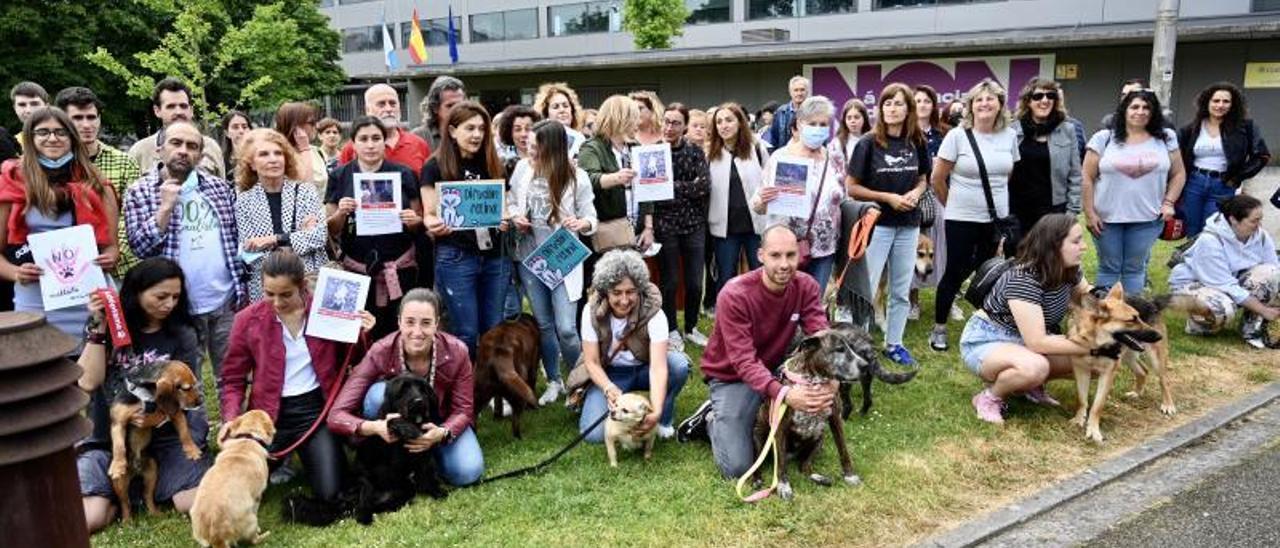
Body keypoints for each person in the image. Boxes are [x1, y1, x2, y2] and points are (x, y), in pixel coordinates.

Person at [221, 250, 374, 502]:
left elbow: (353, 360)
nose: (277, 302)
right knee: (234, 492)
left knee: (331, 493)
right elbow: (233, 378)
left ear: (302, 286)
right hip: (266, 417)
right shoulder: (246, 320)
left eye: (286, 294)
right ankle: (279, 459)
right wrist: (230, 418)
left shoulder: (326, 309)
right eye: (269, 294)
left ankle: (294, 457)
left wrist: (361, 334)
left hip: (315, 412)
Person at [678, 225, 830, 478]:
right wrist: (785, 395)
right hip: (732, 375)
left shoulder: (807, 286)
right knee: (738, 468)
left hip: (774, 368)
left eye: (791, 255)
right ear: (760, 255)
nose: (784, 264)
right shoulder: (735, 294)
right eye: (775, 255)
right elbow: (744, 361)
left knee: (793, 447)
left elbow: (821, 337)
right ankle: (710, 420)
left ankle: (755, 411)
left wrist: (831, 381)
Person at [76, 258, 210, 533]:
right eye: (161, 296)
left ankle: (147, 486)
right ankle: (121, 495)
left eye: (175, 296)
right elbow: (87, 382)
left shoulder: (182, 334)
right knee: (90, 519)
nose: (169, 304)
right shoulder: (105, 327)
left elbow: (185, 397)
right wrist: (99, 327)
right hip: (107, 440)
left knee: (194, 504)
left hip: (165, 439)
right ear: (136, 292)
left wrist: (155, 419)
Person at [329, 288, 484, 486]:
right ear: (399, 322)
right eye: (410, 322)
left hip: (440, 422)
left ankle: (430, 456)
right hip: (397, 428)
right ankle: (394, 457)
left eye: (426, 323)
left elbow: (464, 410)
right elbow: (336, 415)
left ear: (437, 324)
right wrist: (374, 427)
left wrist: (443, 432)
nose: (417, 332)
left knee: (467, 472)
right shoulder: (380, 351)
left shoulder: (458, 351)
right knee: (377, 395)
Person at [960, 214, 1098, 424]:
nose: (1084, 247)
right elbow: (1038, 342)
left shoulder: (1070, 269)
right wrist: (1091, 345)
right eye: (1076, 241)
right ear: (1054, 244)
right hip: (989, 340)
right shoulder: (1024, 279)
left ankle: (1028, 386)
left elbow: (1087, 295)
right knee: (1035, 367)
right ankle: (988, 398)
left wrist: (1113, 308)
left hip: (1029, 341)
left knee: (1097, 363)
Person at [0, 107, 118, 347]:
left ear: (72, 138)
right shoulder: (10, 183)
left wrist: (109, 257)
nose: (52, 138)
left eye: (60, 132)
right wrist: (16, 273)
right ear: (30, 139)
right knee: (42, 378)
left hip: (90, 299)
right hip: (35, 300)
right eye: (43, 132)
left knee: (93, 375)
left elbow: (112, 248)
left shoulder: (98, 184)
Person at [510, 120, 598, 404]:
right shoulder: (523, 169)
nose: (530, 151)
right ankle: (554, 380)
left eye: (536, 147)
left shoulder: (577, 176)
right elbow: (511, 202)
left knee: (567, 329)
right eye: (529, 146)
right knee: (545, 325)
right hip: (530, 257)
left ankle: (581, 379)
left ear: (554, 149)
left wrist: (580, 222)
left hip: (562, 257)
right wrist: (516, 217)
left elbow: (592, 218)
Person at [928, 79, 1020, 353]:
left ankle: (985, 325)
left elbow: (1008, 176)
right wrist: (953, 204)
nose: (984, 104)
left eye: (990, 99)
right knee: (954, 271)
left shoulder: (1009, 136)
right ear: (971, 106)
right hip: (961, 217)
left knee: (989, 270)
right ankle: (939, 328)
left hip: (995, 219)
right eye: (979, 99)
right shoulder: (957, 135)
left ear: (1000, 105)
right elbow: (938, 178)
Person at [848, 83, 929, 365]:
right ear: (880, 108)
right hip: (878, 225)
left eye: (898, 103)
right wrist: (887, 197)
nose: (892, 108)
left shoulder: (916, 141)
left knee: (900, 289)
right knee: (867, 287)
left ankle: (894, 343)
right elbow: (852, 187)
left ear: (909, 108)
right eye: (887, 103)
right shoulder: (868, 143)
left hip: (908, 225)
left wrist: (916, 193)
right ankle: (859, 346)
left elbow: (923, 178)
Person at [421, 101, 510, 359]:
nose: (477, 135)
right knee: (466, 332)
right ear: (452, 131)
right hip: (456, 256)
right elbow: (429, 213)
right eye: (470, 128)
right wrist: (433, 224)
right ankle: (465, 390)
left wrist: (505, 218)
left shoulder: (494, 164)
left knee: (493, 329)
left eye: (482, 129)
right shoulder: (434, 166)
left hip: (495, 257)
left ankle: (493, 391)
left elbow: (505, 206)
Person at [326, 116, 422, 341]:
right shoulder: (340, 176)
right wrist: (341, 212)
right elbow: (330, 229)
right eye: (364, 139)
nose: (370, 145)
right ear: (353, 143)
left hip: (399, 267)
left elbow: (419, 222)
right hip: (356, 269)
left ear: (384, 142)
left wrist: (413, 220)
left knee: (399, 331)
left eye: (376, 138)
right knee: (360, 335)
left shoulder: (404, 174)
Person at [579, 249, 690, 441]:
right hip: (611, 373)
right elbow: (592, 362)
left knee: (679, 366)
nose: (624, 300)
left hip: (645, 368)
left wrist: (654, 411)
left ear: (639, 289)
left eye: (630, 292)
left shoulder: (655, 312)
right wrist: (608, 388)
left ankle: (664, 418)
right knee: (594, 435)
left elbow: (658, 368)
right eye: (616, 293)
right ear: (605, 291)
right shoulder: (590, 311)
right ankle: (599, 402)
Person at [1083, 89, 1185, 294]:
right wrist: (1089, 213)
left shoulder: (1166, 138)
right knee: (1109, 267)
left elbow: (1179, 173)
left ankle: (1131, 318)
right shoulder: (1104, 138)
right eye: (1135, 107)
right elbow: (1086, 177)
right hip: (1106, 218)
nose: (1141, 111)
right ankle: (1107, 319)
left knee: (1134, 269)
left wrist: (1169, 202)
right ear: (1124, 110)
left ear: (1154, 111)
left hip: (1148, 218)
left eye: (1146, 107)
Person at [752, 96, 844, 298]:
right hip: (788, 247)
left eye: (823, 124)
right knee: (785, 302)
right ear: (800, 124)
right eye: (812, 123)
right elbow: (757, 205)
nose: (818, 128)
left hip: (824, 246)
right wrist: (764, 200)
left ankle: (811, 331)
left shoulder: (835, 158)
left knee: (814, 301)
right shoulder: (781, 157)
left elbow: (842, 196)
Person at [55, 86, 144, 277]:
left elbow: (129, 216)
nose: (87, 125)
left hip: (119, 265)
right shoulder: (53, 166)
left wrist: (112, 252)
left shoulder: (124, 161)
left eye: (92, 117)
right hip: (68, 265)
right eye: (77, 118)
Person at [1169, 195, 1280, 348]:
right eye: (1254, 221)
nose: (1259, 225)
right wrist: (1264, 309)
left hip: (1230, 282)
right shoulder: (1210, 240)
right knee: (1223, 308)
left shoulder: (1261, 235)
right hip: (1197, 283)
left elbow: (1274, 271)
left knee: (1271, 274)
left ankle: (1251, 327)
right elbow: (1226, 285)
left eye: (1260, 219)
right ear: (1233, 219)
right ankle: (1199, 326)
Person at [234, 128, 328, 301]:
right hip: (267, 287)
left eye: (278, 153)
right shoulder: (244, 201)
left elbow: (319, 236)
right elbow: (251, 248)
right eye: (264, 154)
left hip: (308, 281)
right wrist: (298, 236)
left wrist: (273, 239)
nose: (273, 159)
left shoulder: (305, 192)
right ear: (252, 163)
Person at [1177, 82, 1271, 238]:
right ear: (1206, 102)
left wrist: (1237, 178)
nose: (1220, 105)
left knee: (1213, 230)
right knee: (1192, 230)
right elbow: (1177, 158)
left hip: (1223, 185)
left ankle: (1211, 261)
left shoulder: (1245, 127)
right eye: (1216, 101)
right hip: (1193, 184)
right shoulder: (1191, 128)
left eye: (1226, 101)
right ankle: (1194, 261)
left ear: (1233, 104)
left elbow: (1262, 156)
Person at [653, 103, 711, 347]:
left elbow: (704, 186)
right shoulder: (653, 153)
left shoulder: (695, 152)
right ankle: (671, 329)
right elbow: (652, 190)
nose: (669, 127)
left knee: (696, 281)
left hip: (693, 224)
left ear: (685, 126)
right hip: (665, 224)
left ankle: (691, 326)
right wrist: (683, 188)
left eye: (676, 123)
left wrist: (670, 186)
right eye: (666, 121)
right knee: (670, 281)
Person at [707, 103, 770, 301]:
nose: (723, 125)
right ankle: (726, 318)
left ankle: (763, 315)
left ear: (740, 123)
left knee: (761, 274)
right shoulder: (710, 154)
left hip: (755, 225)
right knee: (726, 277)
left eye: (728, 120)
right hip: (725, 228)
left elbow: (769, 181)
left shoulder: (757, 148)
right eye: (719, 122)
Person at [1009, 78, 1083, 233]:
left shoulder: (1067, 130)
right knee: (1020, 256)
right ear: (1028, 101)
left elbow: (1075, 175)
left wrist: (1072, 212)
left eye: (1050, 96)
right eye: (1038, 96)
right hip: (1017, 211)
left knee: (1050, 256)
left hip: (1054, 212)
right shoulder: (1012, 130)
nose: (1045, 100)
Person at [127, 78, 225, 178]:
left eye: (183, 106)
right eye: (171, 106)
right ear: (157, 111)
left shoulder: (211, 148)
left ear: (191, 110)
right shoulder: (140, 151)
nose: (178, 112)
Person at [910, 85, 950, 321]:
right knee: (913, 249)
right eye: (917, 101)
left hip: (941, 197)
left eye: (927, 101)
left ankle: (947, 299)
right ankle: (912, 302)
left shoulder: (945, 133)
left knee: (942, 250)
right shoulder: (906, 134)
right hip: (915, 198)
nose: (922, 105)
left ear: (933, 105)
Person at [338, 84, 431, 177]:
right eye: (381, 104)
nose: (389, 109)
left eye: (393, 103)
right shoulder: (352, 148)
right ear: (368, 110)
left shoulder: (418, 144)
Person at [275, 102, 328, 196]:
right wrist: (304, 149)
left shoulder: (317, 151)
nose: (317, 126)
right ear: (295, 126)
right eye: (311, 123)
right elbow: (305, 188)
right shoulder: (278, 155)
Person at [534, 82, 587, 156]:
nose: (562, 110)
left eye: (565, 106)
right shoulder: (539, 140)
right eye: (555, 107)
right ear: (546, 113)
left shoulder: (580, 139)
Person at [415, 76, 466, 150]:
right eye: (450, 106)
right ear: (435, 108)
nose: (457, 110)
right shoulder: (419, 137)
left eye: (461, 105)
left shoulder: (472, 134)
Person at [829, 98, 870, 176]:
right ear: (844, 120)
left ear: (864, 118)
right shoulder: (837, 143)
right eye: (849, 118)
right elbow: (832, 171)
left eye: (856, 117)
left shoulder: (873, 140)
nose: (852, 121)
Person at [10, 81, 48, 151]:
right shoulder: (11, 145)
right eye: (22, 105)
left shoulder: (65, 139)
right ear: (14, 108)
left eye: (34, 104)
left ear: (47, 106)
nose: (28, 110)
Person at [218, 110, 253, 183]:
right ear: (227, 133)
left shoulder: (258, 157)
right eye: (235, 127)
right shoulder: (221, 162)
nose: (241, 131)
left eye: (244, 127)